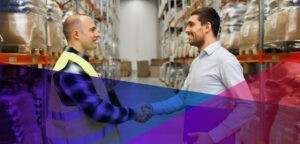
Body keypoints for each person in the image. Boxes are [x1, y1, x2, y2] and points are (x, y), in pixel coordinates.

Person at [137, 8, 256, 144]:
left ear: (206, 27)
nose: (186, 30)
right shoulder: (197, 62)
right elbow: (183, 98)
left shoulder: (225, 60)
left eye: (191, 25)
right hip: (194, 137)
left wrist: (213, 136)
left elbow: (247, 106)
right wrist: (152, 109)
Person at [46, 14, 145, 144]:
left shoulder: (80, 62)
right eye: (92, 30)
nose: (98, 34)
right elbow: (98, 111)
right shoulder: (70, 68)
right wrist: (133, 113)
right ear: (76, 35)